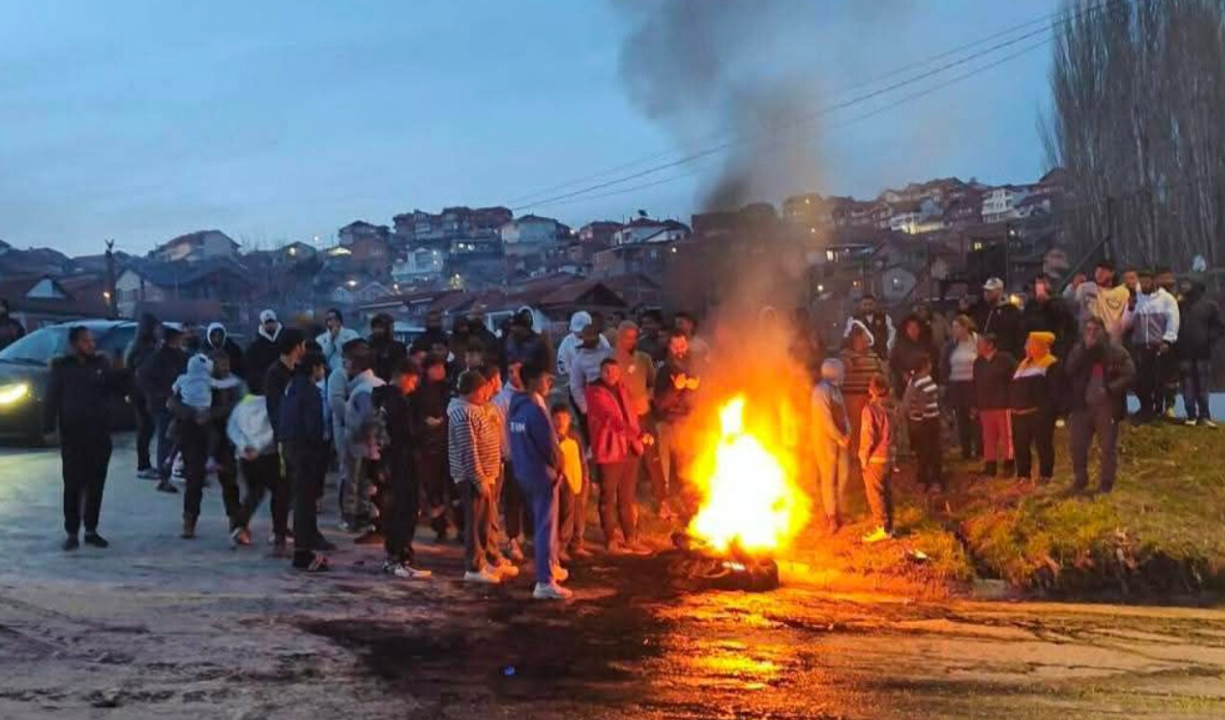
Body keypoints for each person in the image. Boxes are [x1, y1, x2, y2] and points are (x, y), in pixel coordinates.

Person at [45, 326, 123, 551]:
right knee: (73, 485)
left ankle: (91, 530)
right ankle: (72, 532)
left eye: (92, 341)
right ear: (75, 343)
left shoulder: (100, 365)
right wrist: (48, 427)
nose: (92, 345)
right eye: (86, 341)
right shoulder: (62, 368)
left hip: (99, 434)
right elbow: (51, 398)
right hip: (73, 435)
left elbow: (115, 389)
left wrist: (120, 370)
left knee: (96, 484)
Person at [508, 362, 573, 600]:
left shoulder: (516, 407)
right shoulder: (535, 411)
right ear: (534, 381)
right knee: (546, 527)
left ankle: (551, 566)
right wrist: (559, 468)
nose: (550, 383)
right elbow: (550, 448)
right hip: (542, 475)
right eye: (547, 379)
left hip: (524, 472)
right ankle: (545, 581)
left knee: (543, 525)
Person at [373, 359, 433, 579]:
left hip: (387, 463)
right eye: (414, 380)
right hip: (402, 463)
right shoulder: (397, 402)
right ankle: (401, 558)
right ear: (404, 376)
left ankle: (394, 556)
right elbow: (406, 435)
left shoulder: (380, 398)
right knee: (404, 510)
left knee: (393, 510)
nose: (414, 385)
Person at [586, 358, 652, 555]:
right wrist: (638, 435)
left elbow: (630, 416)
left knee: (627, 497)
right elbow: (612, 421)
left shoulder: (622, 389)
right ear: (600, 371)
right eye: (607, 371)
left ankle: (630, 538)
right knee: (608, 497)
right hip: (610, 452)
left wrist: (639, 437)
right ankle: (610, 540)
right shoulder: (595, 393)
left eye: (615, 371)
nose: (612, 375)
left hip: (629, 450)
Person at [1066, 317, 1136, 494]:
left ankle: (1106, 484)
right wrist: (1084, 352)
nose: (1090, 334)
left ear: (1102, 332)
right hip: (1082, 405)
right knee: (1077, 446)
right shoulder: (1078, 350)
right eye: (1087, 330)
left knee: (1107, 447)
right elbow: (1069, 369)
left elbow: (1129, 374)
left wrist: (1110, 389)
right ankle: (1080, 479)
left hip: (1107, 407)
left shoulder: (1116, 352)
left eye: (1094, 330)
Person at [449, 369, 503, 584]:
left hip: (486, 477)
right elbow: (468, 451)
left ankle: (481, 561)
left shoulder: (477, 409)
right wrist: (479, 479)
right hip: (473, 479)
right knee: (475, 522)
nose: (484, 395)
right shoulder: (462, 414)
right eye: (481, 391)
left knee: (484, 523)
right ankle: (473, 566)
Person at [278, 352, 331, 572]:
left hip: (290, 447)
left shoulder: (292, 387)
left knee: (301, 500)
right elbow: (313, 427)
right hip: (305, 451)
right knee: (305, 502)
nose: (323, 372)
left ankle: (304, 549)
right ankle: (302, 553)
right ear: (315, 368)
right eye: (321, 368)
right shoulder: (310, 392)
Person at [611, 321, 663, 517]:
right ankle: (626, 501)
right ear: (619, 337)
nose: (630, 341)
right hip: (624, 420)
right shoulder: (611, 361)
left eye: (634, 337)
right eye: (626, 337)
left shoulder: (644, 359)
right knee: (628, 461)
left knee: (653, 458)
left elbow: (651, 384)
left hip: (644, 415)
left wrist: (646, 397)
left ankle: (661, 500)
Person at [343, 341, 387, 545]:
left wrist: (363, 436)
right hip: (379, 445)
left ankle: (368, 523)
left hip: (364, 446)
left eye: (346, 361)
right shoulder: (379, 383)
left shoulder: (363, 389)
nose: (344, 366)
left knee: (363, 486)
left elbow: (366, 418)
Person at [654, 329, 700, 516]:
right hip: (668, 424)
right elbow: (659, 403)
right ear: (670, 347)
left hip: (689, 424)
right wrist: (675, 388)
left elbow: (705, 396)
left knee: (688, 467)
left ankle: (691, 505)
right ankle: (664, 504)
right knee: (664, 468)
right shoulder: (665, 371)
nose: (680, 350)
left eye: (682, 345)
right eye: (676, 346)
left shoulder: (695, 367)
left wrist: (696, 388)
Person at [136, 325, 187, 494]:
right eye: (180, 335)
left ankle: (177, 470)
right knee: (166, 440)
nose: (182, 338)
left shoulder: (179, 354)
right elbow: (143, 376)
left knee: (180, 439)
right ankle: (163, 478)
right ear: (173, 337)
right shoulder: (159, 356)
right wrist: (159, 394)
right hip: (162, 405)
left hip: (177, 402)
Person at [170, 353, 216, 539]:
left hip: (214, 433)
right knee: (194, 478)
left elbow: (230, 404)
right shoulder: (195, 383)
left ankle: (238, 523)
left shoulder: (224, 384)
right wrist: (193, 413)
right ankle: (190, 520)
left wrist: (209, 414)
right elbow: (171, 402)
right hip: (193, 433)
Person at [1011, 331, 1062, 484]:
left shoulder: (1050, 363)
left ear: (1038, 345)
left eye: (1029, 344)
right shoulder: (1024, 364)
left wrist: (1047, 411)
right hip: (1019, 414)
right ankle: (1023, 475)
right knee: (1020, 445)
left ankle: (1045, 475)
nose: (1025, 347)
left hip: (1039, 413)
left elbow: (1053, 391)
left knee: (1043, 444)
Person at [1131, 269, 1180, 423]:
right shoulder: (1138, 298)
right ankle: (1147, 408)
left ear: (1153, 281)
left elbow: (1173, 320)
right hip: (1141, 344)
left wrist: (1167, 340)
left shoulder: (1166, 299)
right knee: (1141, 379)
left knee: (1158, 379)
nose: (1143, 284)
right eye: (1141, 281)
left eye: (1146, 281)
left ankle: (1158, 410)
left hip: (1158, 344)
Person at [493, 359, 529, 563]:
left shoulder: (533, 396)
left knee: (531, 501)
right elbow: (500, 432)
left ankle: (531, 538)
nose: (514, 375)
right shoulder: (502, 400)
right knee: (513, 501)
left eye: (518, 371)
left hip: (532, 459)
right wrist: (507, 454)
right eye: (511, 371)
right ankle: (513, 538)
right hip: (514, 458)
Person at [413, 356, 452, 541]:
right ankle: (439, 526)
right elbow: (415, 417)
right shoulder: (419, 392)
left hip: (448, 444)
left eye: (441, 367)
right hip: (429, 446)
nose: (440, 370)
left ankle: (456, 525)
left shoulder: (449, 389)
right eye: (436, 367)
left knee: (450, 488)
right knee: (433, 488)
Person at [811, 359, 851, 533]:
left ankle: (841, 510)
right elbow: (825, 419)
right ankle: (831, 516)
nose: (844, 375)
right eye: (841, 372)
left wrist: (848, 432)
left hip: (841, 439)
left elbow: (843, 414)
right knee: (828, 477)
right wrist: (839, 437)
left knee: (844, 474)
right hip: (825, 440)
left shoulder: (836, 391)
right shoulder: (820, 391)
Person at [1177, 279, 1224, 427]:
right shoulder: (1179, 306)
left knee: (1202, 386)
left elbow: (1220, 327)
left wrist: (1208, 339)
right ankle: (1191, 415)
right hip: (1184, 353)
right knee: (1187, 385)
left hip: (1203, 353)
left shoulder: (1210, 306)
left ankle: (1204, 415)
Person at [840, 321, 889, 457]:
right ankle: (854, 455)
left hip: (869, 398)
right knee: (855, 427)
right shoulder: (846, 355)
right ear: (854, 339)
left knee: (869, 428)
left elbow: (880, 374)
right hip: (852, 399)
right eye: (862, 337)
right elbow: (846, 369)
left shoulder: (873, 355)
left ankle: (868, 453)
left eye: (865, 337)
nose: (865, 340)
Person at [858, 374, 895, 543]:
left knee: (875, 493)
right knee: (887, 492)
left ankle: (881, 527)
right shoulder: (892, 407)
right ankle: (890, 527)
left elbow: (868, 435)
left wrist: (863, 456)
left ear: (872, 390)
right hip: (889, 456)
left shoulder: (870, 409)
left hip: (875, 458)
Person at [973, 333, 1016, 477]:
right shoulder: (978, 363)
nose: (977, 346)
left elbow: (1014, 379)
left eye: (980, 343)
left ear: (990, 345)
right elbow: (976, 384)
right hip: (985, 405)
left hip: (1002, 403)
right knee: (988, 437)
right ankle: (990, 465)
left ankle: (1009, 464)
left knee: (1006, 436)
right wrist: (976, 403)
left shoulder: (1005, 360)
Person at [552, 403, 592, 561]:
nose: (561, 421)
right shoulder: (552, 438)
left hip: (578, 480)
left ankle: (577, 543)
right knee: (565, 514)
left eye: (565, 418)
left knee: (579, 512)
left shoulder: (574, 436)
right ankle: (561, 546)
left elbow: (581, 460)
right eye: (558, 418)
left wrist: (585, 478)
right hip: (563, 482)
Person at [328, 339, 360, 529]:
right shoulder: (338, 375)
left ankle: (357, 512)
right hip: (343, 427)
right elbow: (337, 403)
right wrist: (352, 421)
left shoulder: (360, 373)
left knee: (357, 473)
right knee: (347, 471)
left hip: (359, 429)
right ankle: (346, 514)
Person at [125, 313, 161, 480]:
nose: (158, 331)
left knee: (146, 428)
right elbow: (142, 373)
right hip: (141, 394)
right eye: (155, 328)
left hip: (139, 393)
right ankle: (143, 466)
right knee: (146, 429)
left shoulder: (140, 347)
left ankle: (145, 465)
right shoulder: (143, 349)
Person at [902, 355, 942, 493]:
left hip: (916, 421)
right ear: (926, 365)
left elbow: (906, 403)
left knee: (921, 453)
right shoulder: (925, 380)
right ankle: (935, 481)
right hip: (929, 420)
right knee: (934, 452)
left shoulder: (912, 381)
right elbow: (928, 398)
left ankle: (922, 480)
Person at [943, 315, 979, 460]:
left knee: (975, 417)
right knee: (961, 418)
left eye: (957, 326)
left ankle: (979, 448)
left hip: (972, 383)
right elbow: (945, 364)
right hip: (956, 384)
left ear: (966, 327)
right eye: (953, 327)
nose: (954, 330)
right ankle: (966, 450)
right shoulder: (951, 345)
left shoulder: (976, 341)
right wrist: (945, 382)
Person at [1073, 261, 1133, 344]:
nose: (1099, 274)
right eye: (1097, 271)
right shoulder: (1086, 288)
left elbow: (1127, 318)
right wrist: (1073, 287)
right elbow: (1073, 304)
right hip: (1089, 338)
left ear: (1112, 273)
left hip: (1112, 340)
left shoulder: (1123, 292)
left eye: (1103, 272)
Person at [1022, 275, 1078, 360]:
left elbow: (1071, 326)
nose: (1040, 286)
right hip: (1034, 351)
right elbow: (1025, 325)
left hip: (1054, 350)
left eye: (1043, 283)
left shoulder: (1058, 303)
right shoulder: (1030, 306)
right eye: (1038, 283)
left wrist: (1047, 302)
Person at [567, 322, 611, 429]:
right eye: (588, 336)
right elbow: (575, 387)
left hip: (611, 397)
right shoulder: (578, 360)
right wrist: (586, 409)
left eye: (593, 335)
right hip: (594, 402)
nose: (591, 339)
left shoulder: (608, 353)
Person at [973, 278, 1024, 358]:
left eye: (990, 291)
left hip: (1004, 356)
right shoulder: (981, 309)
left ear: (1000, 291)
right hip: (984, 355)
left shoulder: (1010, 310)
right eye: (986, 291)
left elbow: (1017, 335)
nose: (987, 293)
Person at [889, 314, 938, 398]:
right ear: (906, 329)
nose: (913, 330)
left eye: (915, 327)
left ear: (920, 329)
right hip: (905, 384)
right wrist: (903, 373)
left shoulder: (927, 344)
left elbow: (934, 360)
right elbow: (894, 362)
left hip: (925, 383)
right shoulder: (899, 345)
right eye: (910, 328)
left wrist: (924, 373)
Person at [556, 311, 609, 378]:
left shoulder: (601, 340)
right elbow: (562, 362)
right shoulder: (567, 342)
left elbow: (608, 358)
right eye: (576, 331)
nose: (579, 333)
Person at [843, 295, 895, 360]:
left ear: (875, 305)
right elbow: (847, 335)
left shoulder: (884, 317)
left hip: (881, 354)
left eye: (870, 304)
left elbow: (892, 332)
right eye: (865, 304)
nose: (868, 307)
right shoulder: (853, 319)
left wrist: (889, 345)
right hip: (862, 356)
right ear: (860, 305)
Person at [245, 309, 283, 394]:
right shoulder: (254, 346)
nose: (270, 325)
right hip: (264, 387)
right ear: (262, 324)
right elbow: (251, 369)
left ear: (276, 322)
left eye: (272, 321)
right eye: (267, 322)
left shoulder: (285, 339)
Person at [369, 313, 407, 383]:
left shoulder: (398, 347)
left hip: (392, 384)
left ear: (389, 328)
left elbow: (402, 369)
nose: (377, 330)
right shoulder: (367, 346)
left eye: (381, 327)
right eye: (375, 327)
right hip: (372, 384)